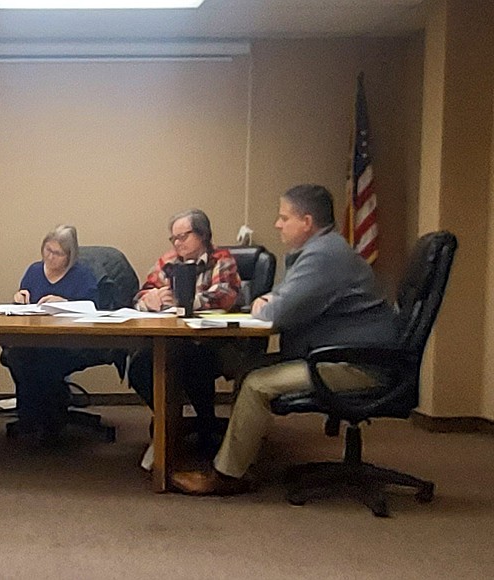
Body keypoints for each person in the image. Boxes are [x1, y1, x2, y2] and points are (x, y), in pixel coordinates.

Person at [170, 184, 399, 495]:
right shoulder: (321, 251)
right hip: (343, 354)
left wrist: (266, 304)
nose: (277, 224)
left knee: (257, 383)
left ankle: (226, 476)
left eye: (283, 217)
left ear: (306, 221)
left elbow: (275, 313)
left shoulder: (323, 256)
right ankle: (242, 458)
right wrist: (269, 301)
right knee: (250, 368)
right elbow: (280, 298)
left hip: (358, 363)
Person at [127, 209, 242, 465]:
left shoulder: (221, 259)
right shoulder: (167, 261)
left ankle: (205, 425)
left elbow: (224, 295)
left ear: (202, 235)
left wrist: (182, 301)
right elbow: (139, 296)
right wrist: (152, 300)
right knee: (139, 366)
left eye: (183, 236)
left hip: (210, 342)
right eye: (174, 238)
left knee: (193, 361)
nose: (178, 243)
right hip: (170, 340)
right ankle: (167, 420)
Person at [0, 225, 103, 442]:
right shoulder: (34, 271)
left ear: (70, 256)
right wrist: (19, 298)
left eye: (58, 253)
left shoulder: (82, 275)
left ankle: (50, 421)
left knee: (46, 360)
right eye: (47, 250)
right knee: (17, 356)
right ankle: (29, 418)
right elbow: (24, 304)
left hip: (70, 343)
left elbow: (94, 308)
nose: (50, 257)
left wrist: (66, 303)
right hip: (33, 339)